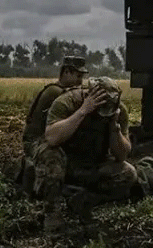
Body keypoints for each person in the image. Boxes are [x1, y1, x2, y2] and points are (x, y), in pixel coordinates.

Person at [36, 76, 139, 229]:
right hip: (65, 162)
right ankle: (52, 211)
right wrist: (83, 111)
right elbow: (52, 138)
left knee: (129, 174)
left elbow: (122, 155)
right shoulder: (67, 102)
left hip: (92, 164)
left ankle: (83, 199)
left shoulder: (118, 111)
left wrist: (114, 127)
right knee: (51, 154)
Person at [16, 55, 89, 195]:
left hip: (47, 135)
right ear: (66, 72)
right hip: (36, 140)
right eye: (78, 76)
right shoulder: (57, 93)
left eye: (82, 77)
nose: (80, 81)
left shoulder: (61, 91)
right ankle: (45, 192)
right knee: (55, 157)